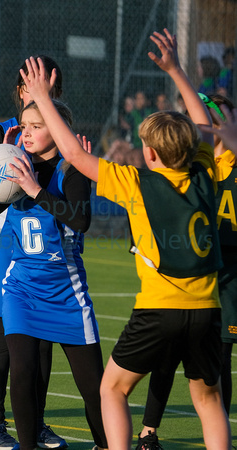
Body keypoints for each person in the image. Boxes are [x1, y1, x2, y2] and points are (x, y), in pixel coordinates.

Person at [18, 27, 232, 450]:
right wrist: (176, 72)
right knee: (209, 401)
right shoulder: (206, 173)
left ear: (150, 154)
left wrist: (41, 97)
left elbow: (75, 155)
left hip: (158, 308)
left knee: (112, 389)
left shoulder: (136, 182)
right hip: (208, 309)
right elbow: (205, 127)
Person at [0, 98, 108, 450]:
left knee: (94, 388)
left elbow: (80, 220)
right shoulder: (14, 168)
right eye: (24, 126)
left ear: (58, 131)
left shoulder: (70, 169)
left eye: (36, 127)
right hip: (21, 290)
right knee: (23, 372)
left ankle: (107, 444)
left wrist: (35, 191)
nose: (26, 133)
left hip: (67, 294)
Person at [0, 56, 67, 450]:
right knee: (2, 335)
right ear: (18, 90)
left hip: (44, 248)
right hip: (5, 242)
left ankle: (36, 424)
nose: (33, 89)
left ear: (55, 86)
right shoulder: (7, 133)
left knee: (42, 341)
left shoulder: (61, 135)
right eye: (27, 84)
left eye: (42, 82)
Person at [135, 93, 236, 450]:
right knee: (172, 354)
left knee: (219, 359)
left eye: (219, 116)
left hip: (226, 276)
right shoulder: (200, 168)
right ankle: (149, 428)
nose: (211, 123)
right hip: (201, 276)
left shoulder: (223, 163)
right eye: (209, 117)